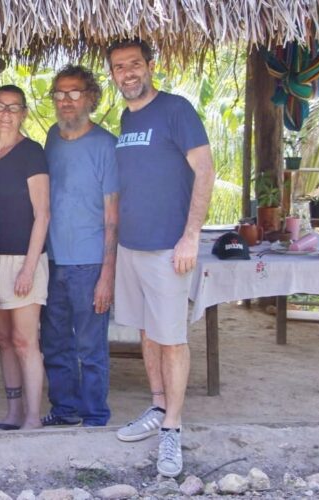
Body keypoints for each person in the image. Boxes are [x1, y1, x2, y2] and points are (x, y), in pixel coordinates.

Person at [107, 38, 214, 477]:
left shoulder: (177, 109)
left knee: (172, 338)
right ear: (112, 75)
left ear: (150, 66)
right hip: (132, 246)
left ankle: (172, 428)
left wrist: (190, 237)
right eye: (119, 67)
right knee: (148, 333)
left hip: (169, 248)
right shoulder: (126, 117)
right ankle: (156, 406)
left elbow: (205, 170)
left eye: (134, 64)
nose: (127, 73)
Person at [40, 65, 119, 428]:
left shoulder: (105, 145)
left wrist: (107, 275)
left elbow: (113, 216)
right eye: (59, 93)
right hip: (52, 260)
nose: (65, 101)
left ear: (90, 97)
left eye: (74, 93)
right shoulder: (52, 139)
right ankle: (65, 410)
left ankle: (94, 418)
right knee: (55, 344)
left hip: (89, 264)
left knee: (90, 349)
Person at [0, 85, 50, 430]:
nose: (6, 114)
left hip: (23, 259)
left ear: (22, 113)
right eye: (0, 107)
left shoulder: (32, 152)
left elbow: (43, 215)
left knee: (25, 342)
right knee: (3, 341)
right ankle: (13, 413)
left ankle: (33, 418)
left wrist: (29, 268)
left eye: (14, 108)